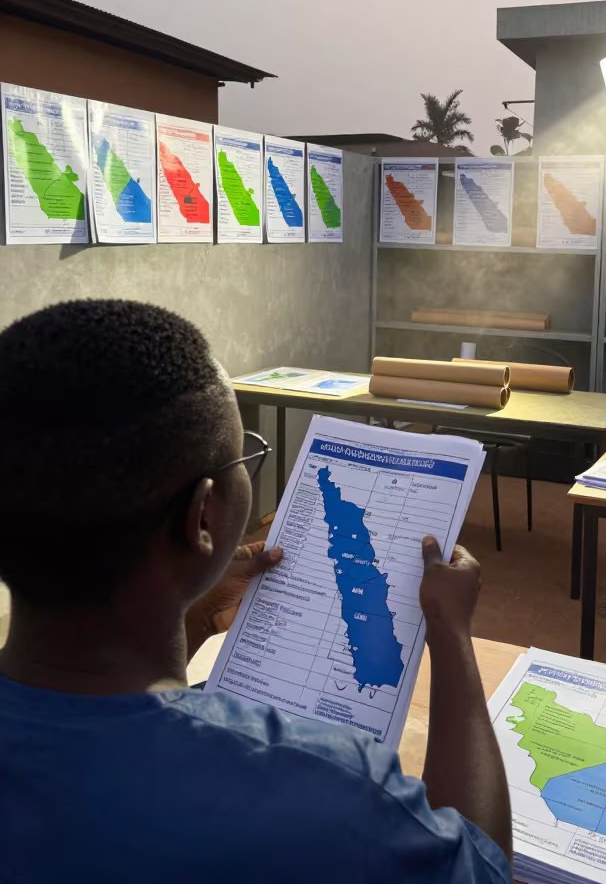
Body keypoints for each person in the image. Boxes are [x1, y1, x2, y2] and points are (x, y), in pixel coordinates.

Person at [0, 299, 512, 883]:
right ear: (201, 517)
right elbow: (479, 866)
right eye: (246, 455)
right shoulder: (328, 787)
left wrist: (188, 614)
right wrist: (450, 632)